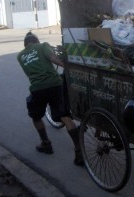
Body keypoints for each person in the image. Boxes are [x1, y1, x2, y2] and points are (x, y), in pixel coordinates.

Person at [17, 32, 84, 166]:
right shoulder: (42, 46)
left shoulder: (20, 56)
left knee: (36, 117)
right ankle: (78, 149)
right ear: (36, 41)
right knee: (64, 115)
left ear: (26, 44)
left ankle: (46, 144)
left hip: (38, 88)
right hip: (55, 84)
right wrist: (70, 67)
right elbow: (53, 58)